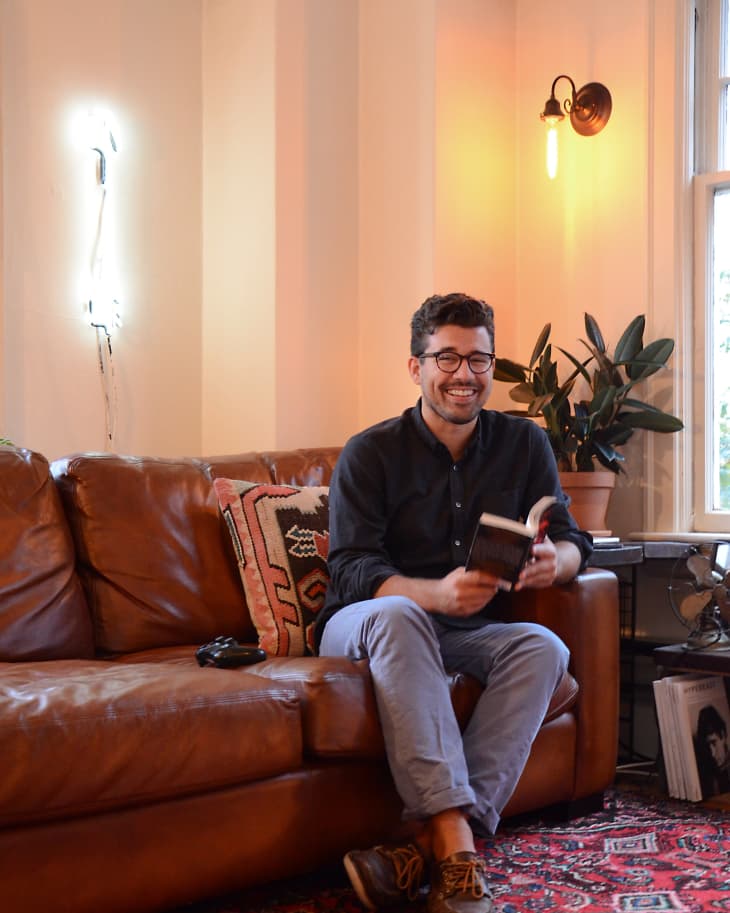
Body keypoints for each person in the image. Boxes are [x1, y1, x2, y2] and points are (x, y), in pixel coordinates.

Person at [314, 292, 592, 913]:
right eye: (447, 358)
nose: (465, 374)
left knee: (543, 647)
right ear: (416, 367)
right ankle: (457, 845)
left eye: (479, 360)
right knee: (400, 612)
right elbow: (352, 570)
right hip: (365, 625)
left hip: (463, 630)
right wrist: (431, 592)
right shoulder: (371, 452)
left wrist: (557, 563)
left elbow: (576, 539)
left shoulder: (524, 445)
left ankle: (423, 848)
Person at [695, 703, 730, 796]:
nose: (712, 753)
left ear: (723, 735)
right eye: (707, 746)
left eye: (714, 743)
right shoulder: (708, 776)